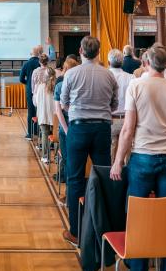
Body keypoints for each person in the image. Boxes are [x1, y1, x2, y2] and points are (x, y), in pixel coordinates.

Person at [111, 45, 166, 271]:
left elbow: (127, 130)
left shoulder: (137, 86)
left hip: (142, 158)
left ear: (146, 62)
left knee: (137, 217)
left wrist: (118, 161)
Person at [59, 36, 117, 245]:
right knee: (102, 176)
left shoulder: (72, 74)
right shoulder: (108, 75)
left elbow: (64, 103)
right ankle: (103, 228)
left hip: (79, 127)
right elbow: (114, 103)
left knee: (74, 179)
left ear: (81, 51)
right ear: (98, 52)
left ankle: (76, 231)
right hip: (102, 128)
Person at [54, 57, 80, 185]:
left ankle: (70, 189)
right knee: (77, 159)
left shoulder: (59, 85)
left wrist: (65, 130)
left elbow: (58, 111)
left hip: (65, 127)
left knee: (66, 157)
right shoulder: (80, 85)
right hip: (79, 125)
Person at [108, 49, 134, 156]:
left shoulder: (105, 76)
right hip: (126, 118)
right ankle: (126, 173)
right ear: (122, 62)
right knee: (127, 151)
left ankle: (109, 172)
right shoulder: (131, 77)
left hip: (111, 119)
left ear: (109, 63)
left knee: (111, 153)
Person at [19, 45, 42, 140]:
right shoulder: (41, 63)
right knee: (40, 111)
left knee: (31, 111)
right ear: (39, 54)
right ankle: (40, 131)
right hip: (41, 90)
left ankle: (30, 133)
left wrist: (28, 84)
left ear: (31, 54)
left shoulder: (26, 64)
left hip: (30, 90)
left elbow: (21, 79)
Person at [36, 66, 57, 163]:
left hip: (43, 114)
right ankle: (57, 157)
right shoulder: (57, 86)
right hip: (55, 116)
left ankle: (45, 156)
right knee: (56, 135)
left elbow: (35, 102)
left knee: (45, 134)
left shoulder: (40, 87)